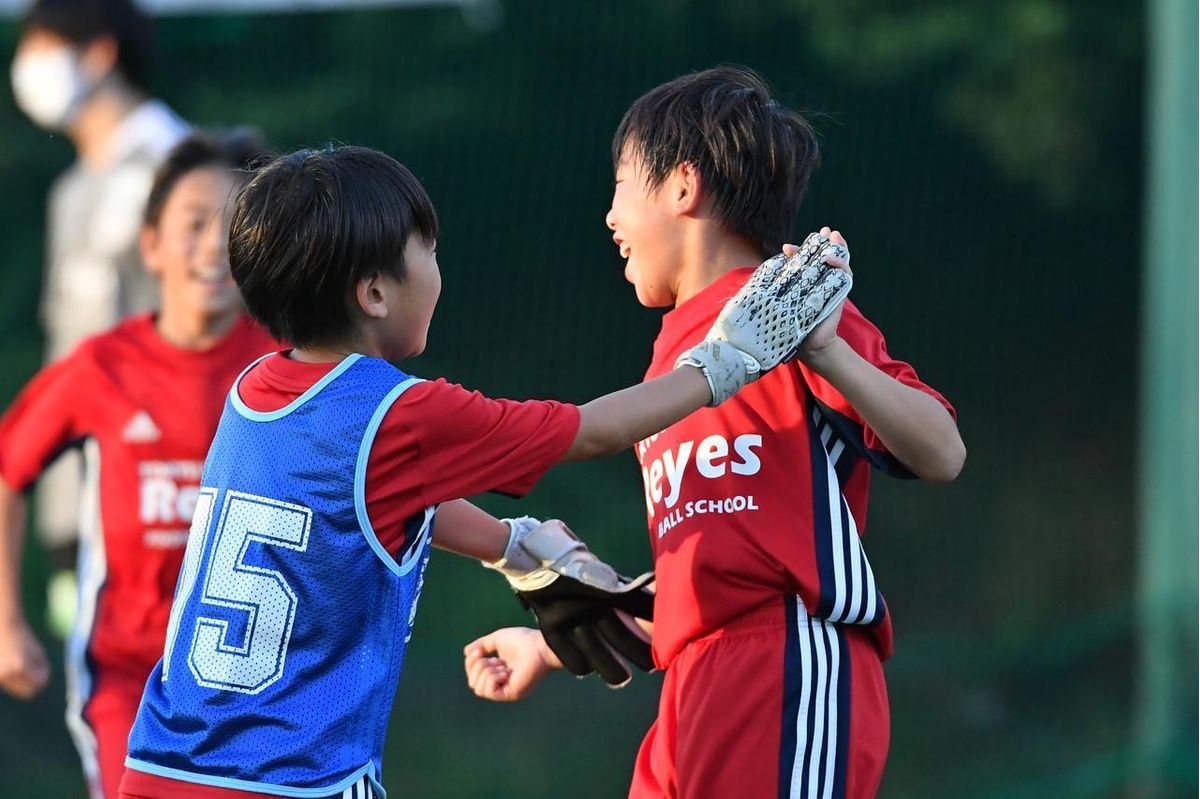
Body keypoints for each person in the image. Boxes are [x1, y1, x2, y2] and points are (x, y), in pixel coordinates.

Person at [118, 144, 838, 799]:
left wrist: (511, 545)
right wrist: (731, 357)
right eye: (427, 251)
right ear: (374, 293)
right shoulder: (399, 412)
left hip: (156, 765)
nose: (438, 269)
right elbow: (595, 431)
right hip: (289, 780)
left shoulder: (252, 391)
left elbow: (365, 503)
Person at [463, 66, 966, 799]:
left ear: (682, 186)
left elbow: (943, 451)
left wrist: (824, 347)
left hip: (789, 664)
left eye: (621, 185)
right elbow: (708, 576)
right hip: (692, 681)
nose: (608, 216)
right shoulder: (670, 361)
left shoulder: (782, 303)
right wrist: (549, 645)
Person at [0, 130, 276, 799]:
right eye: (195, 223)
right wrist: (5, 621)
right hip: (127, 673)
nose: (215, 245)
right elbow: (8, 472)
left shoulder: (286, 366)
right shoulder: (102, 367)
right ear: (150, 244)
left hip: (259, 678)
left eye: (235, 227)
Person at [9, 0, 190, 637]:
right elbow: (70, 365)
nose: (24, 68)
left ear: (100, 53)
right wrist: (61, 518)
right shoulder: (73, 190)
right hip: (88, 506)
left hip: (176, 501)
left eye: (41, 47)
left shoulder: (186, 173)